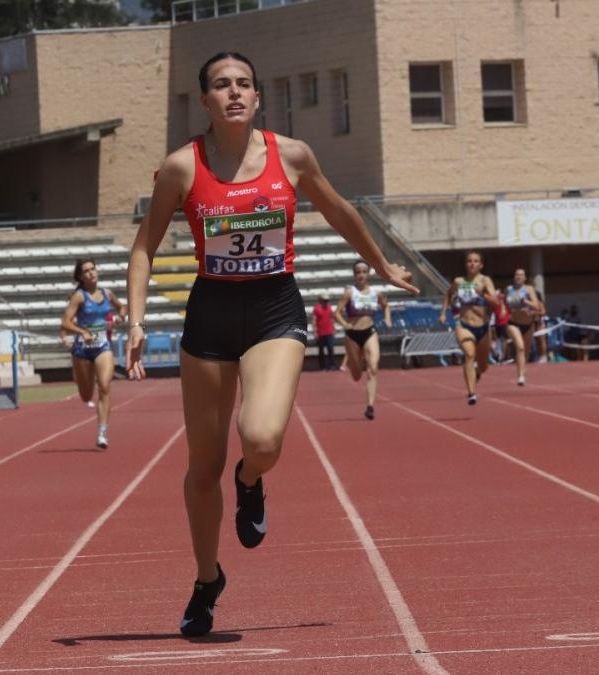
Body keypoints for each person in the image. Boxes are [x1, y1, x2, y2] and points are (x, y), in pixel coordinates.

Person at [124, 52, 417, 638]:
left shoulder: (294, 156)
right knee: (201, 469)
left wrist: (381, 264)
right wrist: (134, 322)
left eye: (243, 85)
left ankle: (252, 479)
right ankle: (207, 580)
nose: (233, 93)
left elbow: (340, 211)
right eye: (220, 86)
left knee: (260, 439)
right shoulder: (182, 168)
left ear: (258, 97)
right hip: (209, 314)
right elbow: (142, 249)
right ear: (204, 101)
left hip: (274, 307)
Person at [61, 258, 125, 449]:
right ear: (81, 276)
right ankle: (79, 375)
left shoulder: (107, 293)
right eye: (86, 271)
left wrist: (120, 317)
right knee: (86, 395)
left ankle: (102, 433)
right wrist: (82, 332)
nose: (91, 273)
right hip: (82, 349)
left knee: (104, 386)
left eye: (93, 268)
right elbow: (65, 322)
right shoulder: (79, 297)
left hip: (102, 346)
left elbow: (121, 307)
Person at [334, 260, 392, 419]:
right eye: (358, 272)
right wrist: (345, 324)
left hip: (370, 332)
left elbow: (386, 306)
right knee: (357, 375)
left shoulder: (376, 293)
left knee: (373, 367)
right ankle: (356, 367)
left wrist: (387, 319)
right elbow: (337, 312)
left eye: (364, 272)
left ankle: (370, 406)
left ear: (368, 274)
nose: (361, 275)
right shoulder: (349, 292)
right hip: (352, 335)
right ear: (354, 275)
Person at [440, 251, 498, 405]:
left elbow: (496, 303)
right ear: (466, 264)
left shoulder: (485, 281)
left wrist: (483, 294)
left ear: (481, 265)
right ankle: (472, 393)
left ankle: (477, 372)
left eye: (475, 261)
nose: (472, 263)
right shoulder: (458, 281)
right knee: (469, 354)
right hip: (464, 325)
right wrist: (443, 313)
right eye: (469, 261)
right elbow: (448, 294)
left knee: (484, 366)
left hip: (483, 327)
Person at [503, 268, 543, 385]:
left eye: (521, 275)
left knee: (525, 351)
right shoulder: (509, 289)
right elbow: (504, 304)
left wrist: (525, 302)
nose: (518, 277)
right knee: (519, 347)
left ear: (525, 278)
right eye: (516, 274)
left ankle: (521, 370)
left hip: (527, 324)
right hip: (513, 323)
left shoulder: (528, 289)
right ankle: (521, 376)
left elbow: (536, 306)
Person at [310, 293, 336, 371]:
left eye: (327, 300)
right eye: (324, 300)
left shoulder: (329, 307)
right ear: (320, 300)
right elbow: (314, 321)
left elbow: (332, 319)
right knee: (321, 350)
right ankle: (322, 366)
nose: (326, 302)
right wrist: (315, 332)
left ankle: (332, 365)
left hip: (329, 332)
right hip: (320, 332)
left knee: (330, 349)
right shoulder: (316, 308)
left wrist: (334, 329)